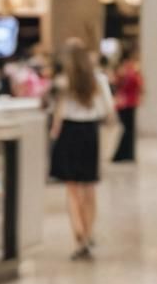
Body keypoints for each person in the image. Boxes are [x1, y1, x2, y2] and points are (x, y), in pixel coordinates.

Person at [49, 38, 117, 260]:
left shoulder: (63, 81)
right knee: (89, 187)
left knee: (72, 188)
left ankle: (78, 235)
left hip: (69, 132)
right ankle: (87, 233)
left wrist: (54, 132)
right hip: (90, 133)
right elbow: (109, 112)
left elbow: (58, 113)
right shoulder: (98, 80)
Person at [111, 48, 143, 162]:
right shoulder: (129, 71)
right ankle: (123, 154)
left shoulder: (132, 71)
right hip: (125, 103)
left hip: (130, 102)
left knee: (129, 130)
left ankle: (128, 154)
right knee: (127, 130)